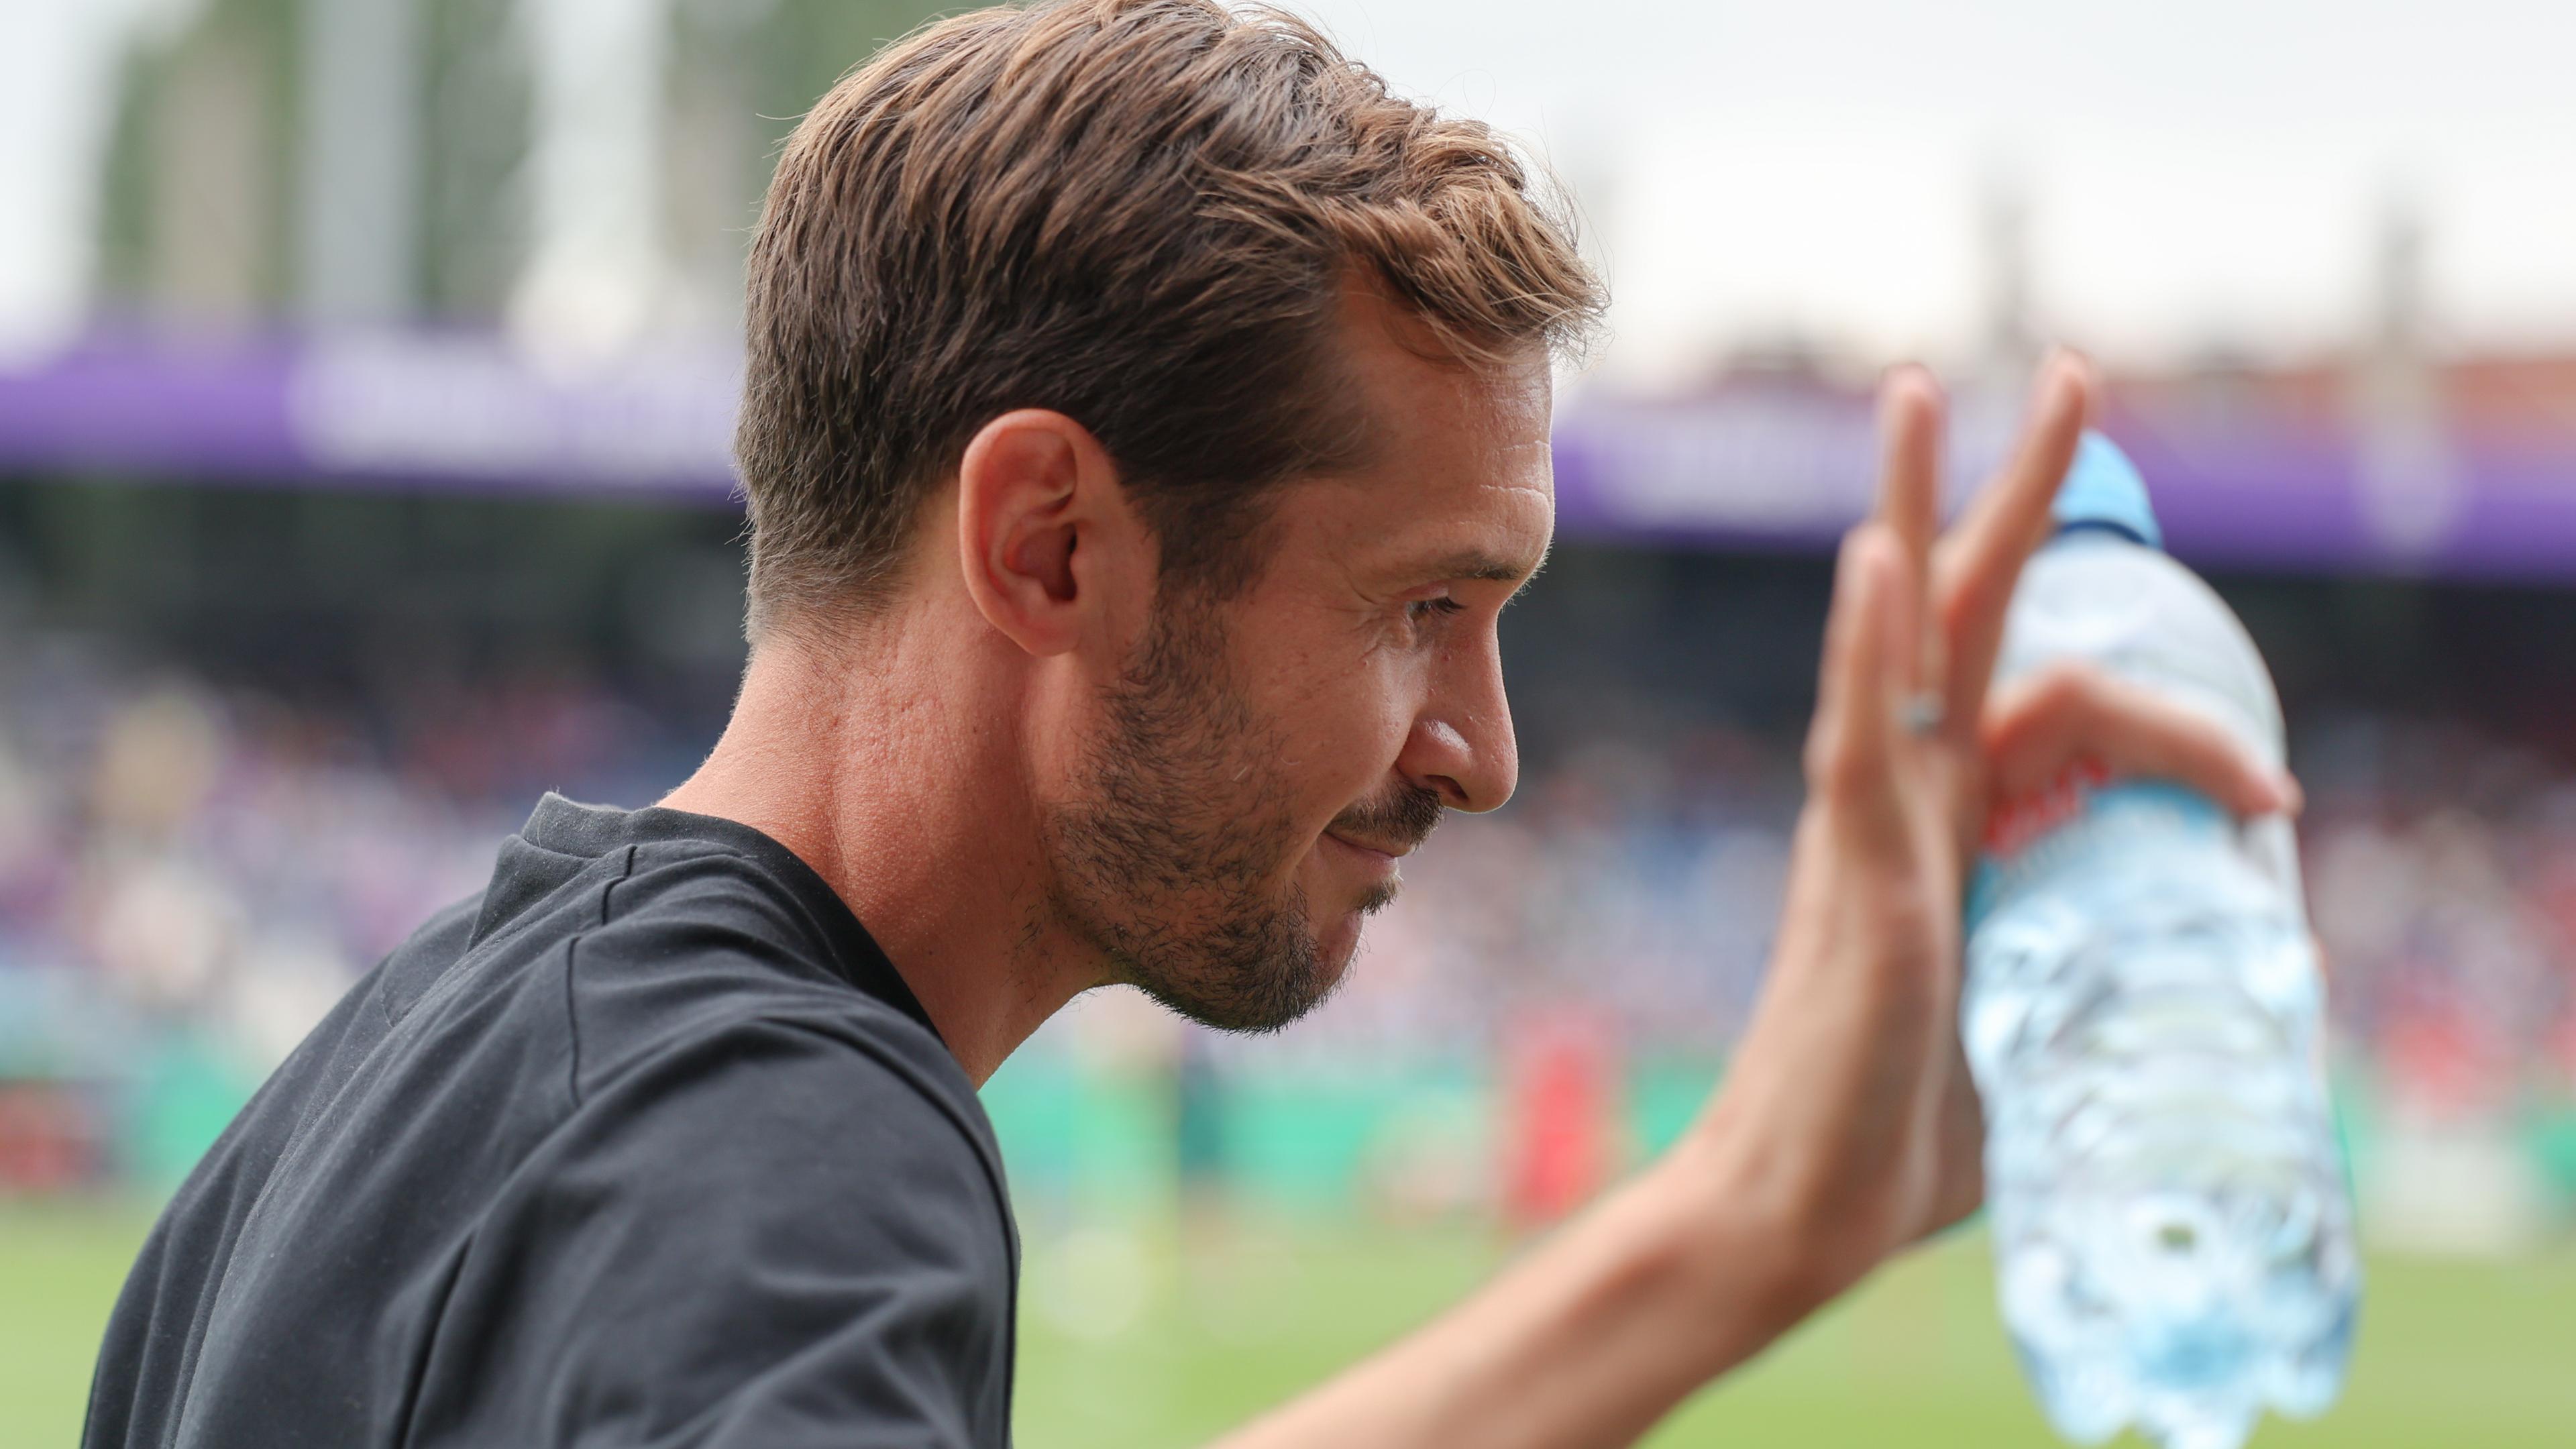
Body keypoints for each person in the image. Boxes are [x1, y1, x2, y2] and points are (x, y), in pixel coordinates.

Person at [81, 3, 2298, 1446]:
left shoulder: (412, 1071)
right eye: (1426, 605)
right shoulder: (784, 1161)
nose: (1483, 750)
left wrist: (1742, 1229)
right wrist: (1737, 1219)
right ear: (1048, 545)